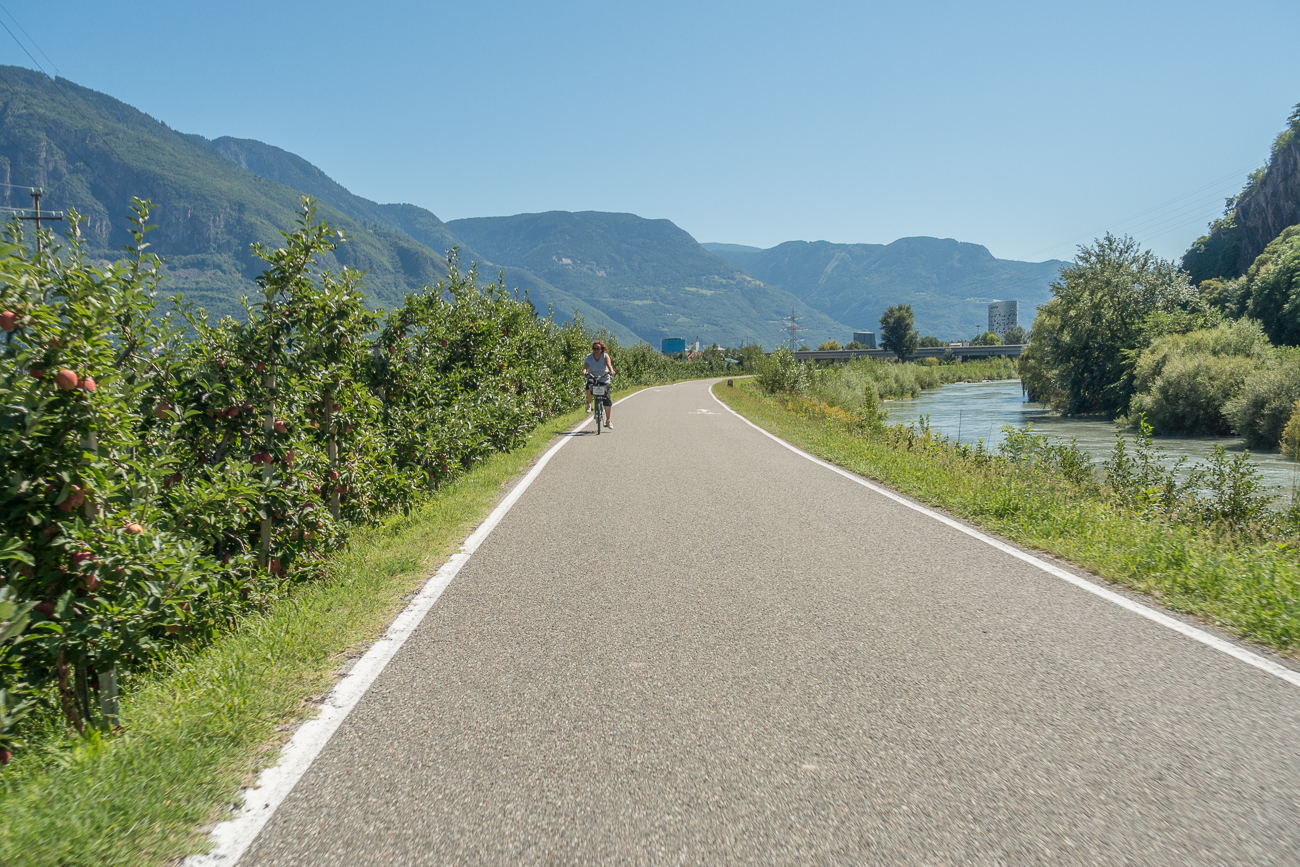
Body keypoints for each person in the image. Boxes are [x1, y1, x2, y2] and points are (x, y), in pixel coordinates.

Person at [583, 340, 616, 428]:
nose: (596, 350)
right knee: (589, 385)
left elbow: (609, 365)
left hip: (604, 377)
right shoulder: (589, 357)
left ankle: (608, 420)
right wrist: (584, 371)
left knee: (607, 399)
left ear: (601, 349)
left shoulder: (605, 356)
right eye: (594, 349)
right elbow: (586, 365)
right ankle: (589, 404)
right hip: (593, 376)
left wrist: (611, 371)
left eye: (598, 349)